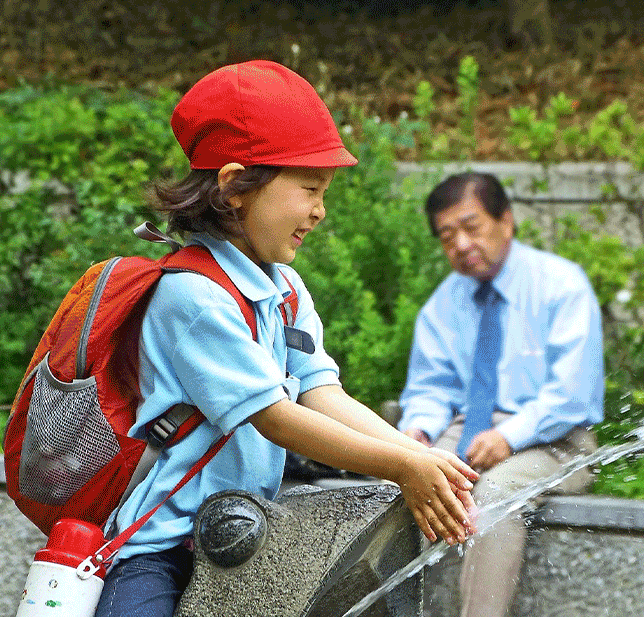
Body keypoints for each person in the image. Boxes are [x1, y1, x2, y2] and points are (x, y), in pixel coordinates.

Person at [94, 60, 478, 617]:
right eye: (309, 189)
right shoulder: (193, 298)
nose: (320, 210)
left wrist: (421, 458)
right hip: (163, 546)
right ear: (234, 187)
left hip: (246, 535)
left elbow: (322, 395)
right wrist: (400, 468)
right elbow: (276, 417)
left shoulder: (285, 289)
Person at [398, 172, 604, 617]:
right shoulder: (443, 304)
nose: (461, 245)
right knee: (399, 476)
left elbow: (573, 394)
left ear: (506, 221)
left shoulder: (561, 284)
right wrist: (415, 431)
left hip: (555, 438)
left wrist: (510, 435)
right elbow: (433, 388)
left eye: (472, 227)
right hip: (467, 428)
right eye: (447, 236)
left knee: (498, 492)